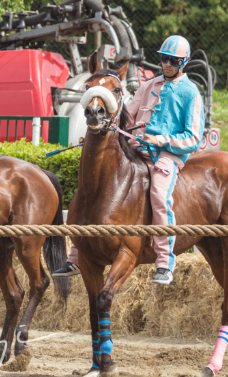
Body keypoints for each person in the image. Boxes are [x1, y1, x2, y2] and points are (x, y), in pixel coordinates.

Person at [53, 35, 202, 286]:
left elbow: (194, 138)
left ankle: (165, 262)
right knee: (95, 186)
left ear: (183, 62)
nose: (166, 64)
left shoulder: (190, 92)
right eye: (164, 59)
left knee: (158, 192)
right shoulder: (148, 86)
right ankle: (76, 255)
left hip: (166, 156)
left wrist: (160, 140)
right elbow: (127, 116)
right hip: (135, 150)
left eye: (172, 61)